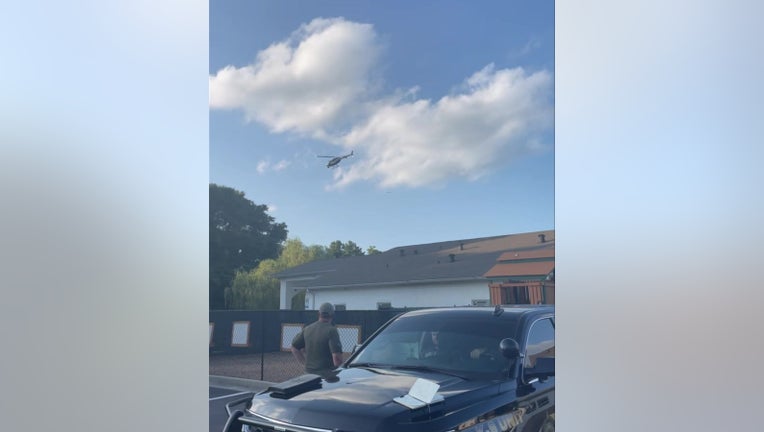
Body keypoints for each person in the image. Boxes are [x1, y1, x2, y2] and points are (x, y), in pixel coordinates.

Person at [291, 302, 344, 376]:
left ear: (319, 314)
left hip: (308, 375)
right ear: (332, 315)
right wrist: (342, 372)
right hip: (326, 376)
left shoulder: (308, 329)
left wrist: (304, 363)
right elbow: (336, 358)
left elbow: (294, 348)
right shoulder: (332, 330)